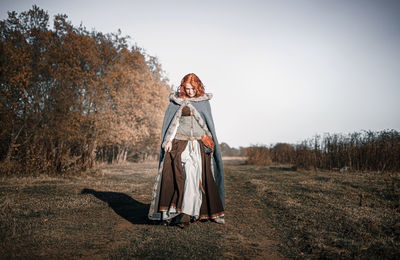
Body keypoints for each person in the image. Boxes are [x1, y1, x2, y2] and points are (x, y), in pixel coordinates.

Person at [148, 73, 225, 227]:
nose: (190, 92)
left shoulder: (203, 103)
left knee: (194, 177)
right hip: (179, 145)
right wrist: (168, 140)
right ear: (183, 87)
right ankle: (176, 212)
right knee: (178, 177)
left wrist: (208, 141)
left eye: (192, 88)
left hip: (198, 146)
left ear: (198, 87)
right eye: (187, 88)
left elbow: (207, 125)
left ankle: (190, 212)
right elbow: (173, 124)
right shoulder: (176, 102)